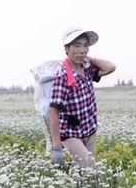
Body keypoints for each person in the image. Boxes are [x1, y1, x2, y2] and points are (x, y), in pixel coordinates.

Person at [49, 27, 116, 170]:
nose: (82, 50)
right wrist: (56, 148)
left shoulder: (87, 69)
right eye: (77, 45)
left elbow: (110, 67)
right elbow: (54, 112)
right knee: (92, 171)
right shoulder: (63, 76)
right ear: (67, 48)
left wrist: (89, 58)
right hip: (71, 134)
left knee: (85, 173)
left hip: (89, 130)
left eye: (86, 46)